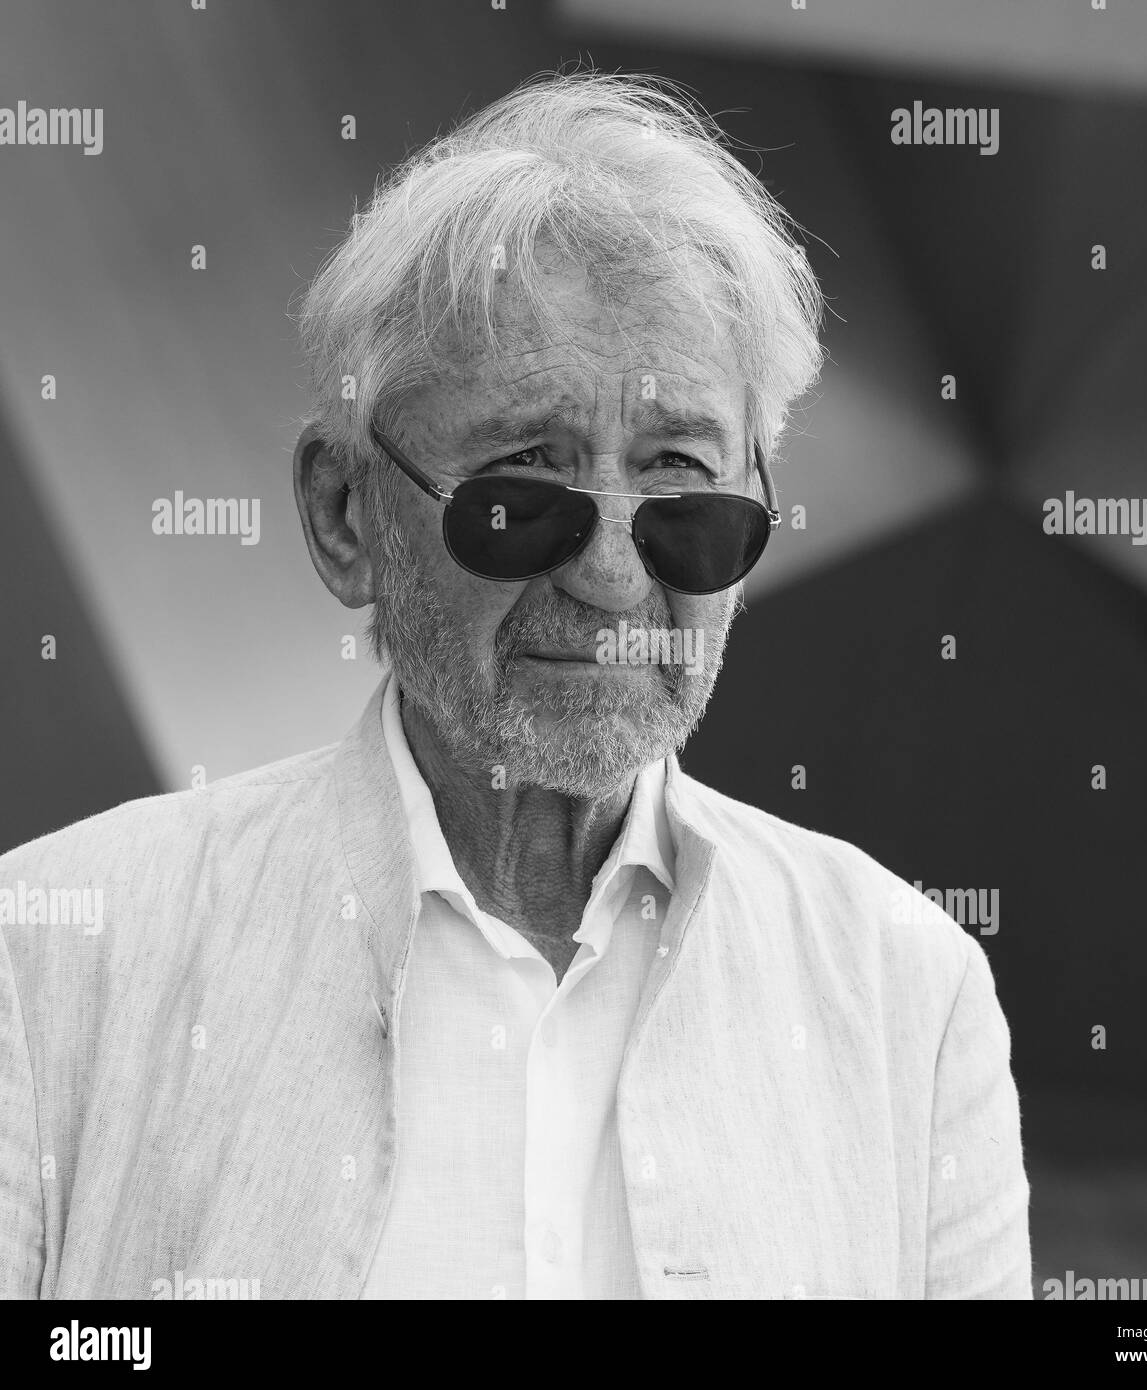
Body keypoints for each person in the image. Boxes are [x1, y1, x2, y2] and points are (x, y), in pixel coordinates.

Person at [0, 70, 1030, 1299]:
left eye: (678, 489)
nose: (608, 578)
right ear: (346, 517)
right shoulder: (55, 952)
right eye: (520, 491)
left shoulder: (905, 988)